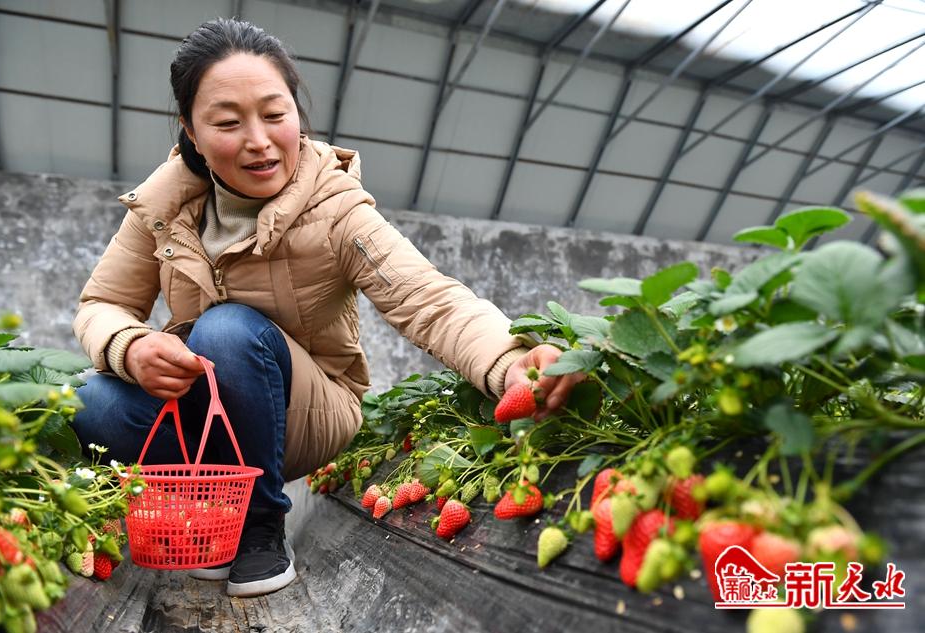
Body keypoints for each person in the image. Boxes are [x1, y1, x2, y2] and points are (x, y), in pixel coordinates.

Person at [71, 18, 584, 598]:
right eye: (228, 123)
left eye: (275, 113)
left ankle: (259, 526)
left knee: (227, 331)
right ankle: (207, 505)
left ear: (297, 112)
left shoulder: (335, 208)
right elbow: (103, 303)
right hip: (204, 412)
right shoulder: (164, 207)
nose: (259, 140)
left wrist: (509, 362)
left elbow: (428, 298)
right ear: (191, 130)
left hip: (304, 413)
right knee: (87, 399)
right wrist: (132, 346)